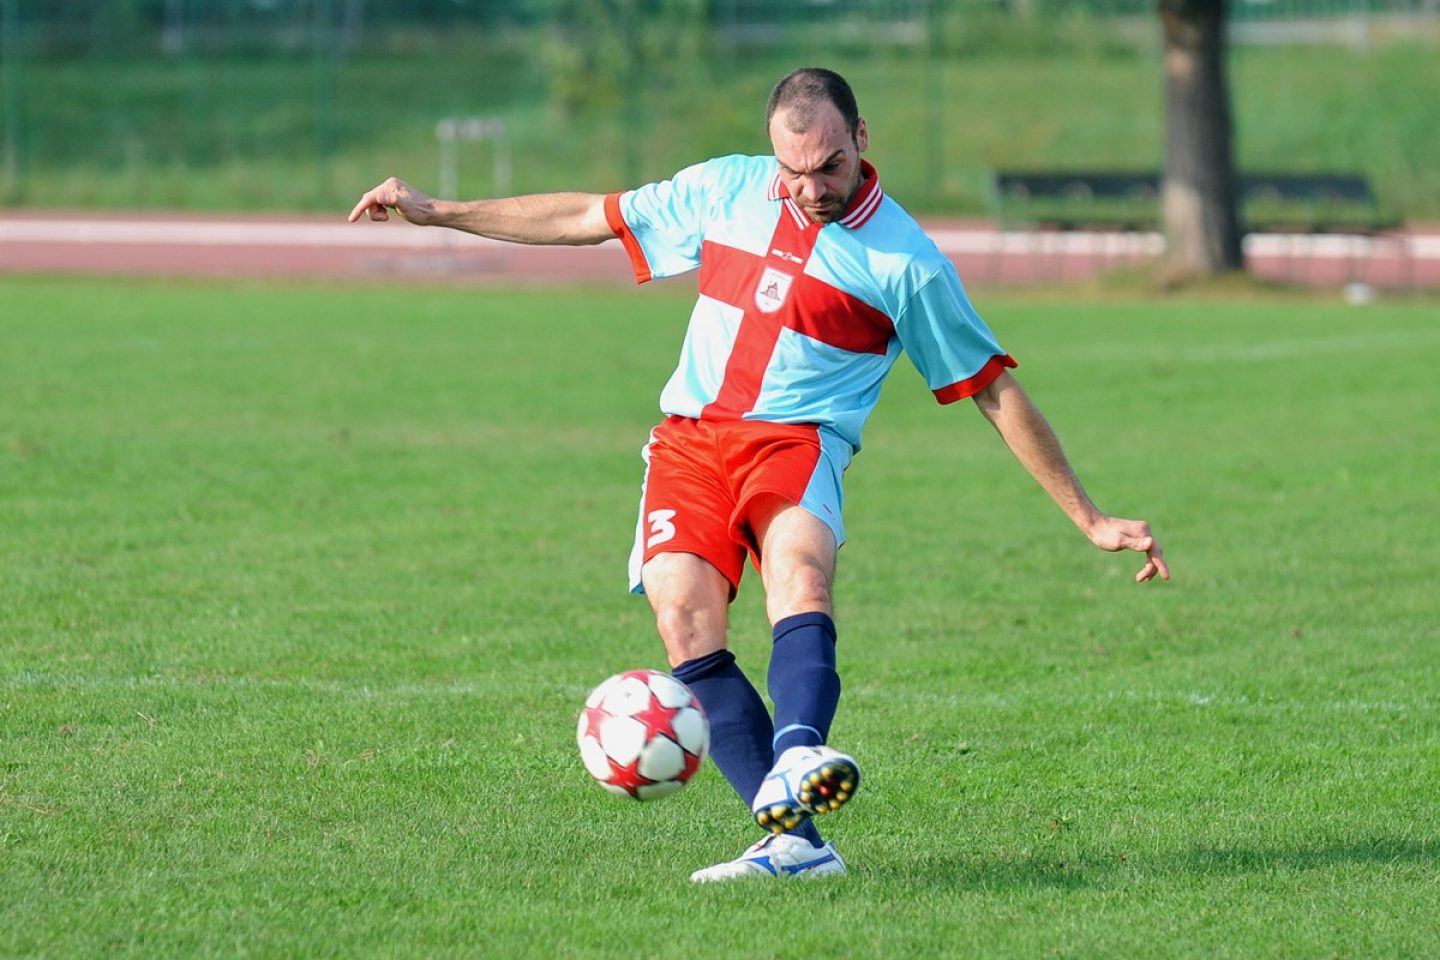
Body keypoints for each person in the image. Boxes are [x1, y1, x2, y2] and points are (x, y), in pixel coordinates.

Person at [349, 67, 1169, 883]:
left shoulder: (906, 263)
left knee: (801, 578)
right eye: (794, 170)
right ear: (771, 152)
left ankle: (800, 751)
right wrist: (435, 211)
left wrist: (1089, 517)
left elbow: (992, 387)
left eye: (831, 166)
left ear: (862, 139)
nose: (811, 188)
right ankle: (795, 842)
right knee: (684, 624)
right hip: (690, 443)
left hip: (796, 443)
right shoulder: (724, 190)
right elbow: (583, 217)